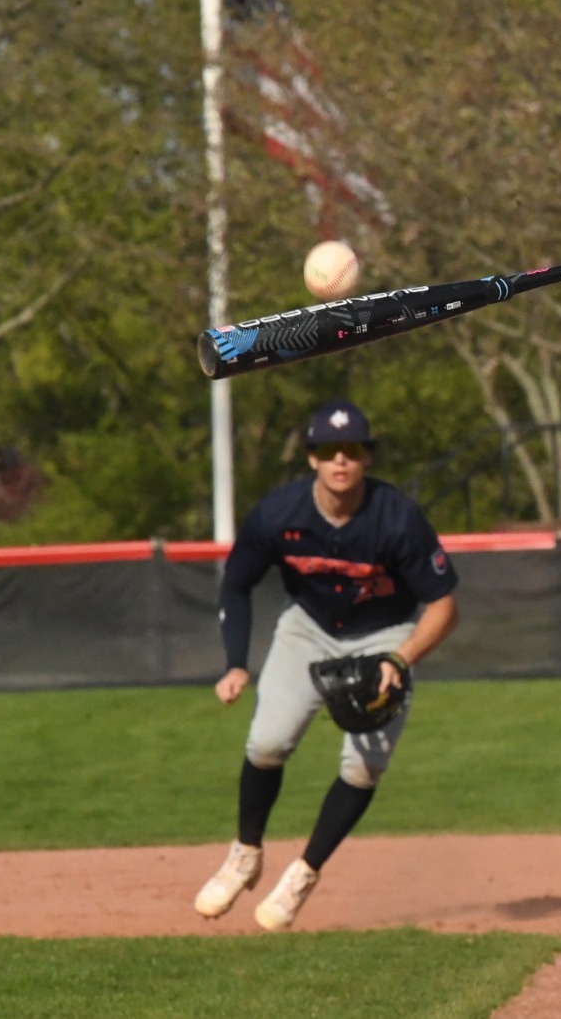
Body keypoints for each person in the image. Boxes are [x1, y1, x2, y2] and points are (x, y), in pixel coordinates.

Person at [193, 398, 459, 931]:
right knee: (268, 742)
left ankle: (303, 874)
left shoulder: (397, 518)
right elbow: (237, 583)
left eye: (353, 450)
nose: (341, 460)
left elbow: (445, 605)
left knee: (364, 765)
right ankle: (246, 853)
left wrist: (400, 659)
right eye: (329, 450)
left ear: (367, 459)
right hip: (309, 627)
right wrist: (235, 663)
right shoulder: (279, 514)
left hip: (385, 633)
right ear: (312, 458)